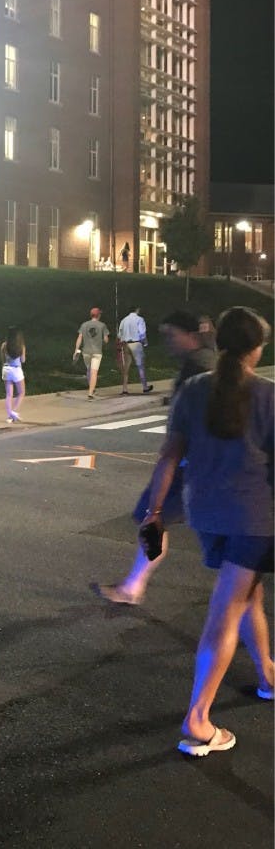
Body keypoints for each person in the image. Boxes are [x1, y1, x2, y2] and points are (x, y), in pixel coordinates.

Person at [139, 307, 273, 756]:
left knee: (247, 594)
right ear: (256, 349)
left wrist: (154, 513)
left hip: (207, 515)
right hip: (254, 519)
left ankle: (268, 674)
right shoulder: (268, 396)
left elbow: (169, 455)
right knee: (227, 609)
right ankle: (198, 719)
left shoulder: (194, 390)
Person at [97, 310, 217, 605]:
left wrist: (174, 458)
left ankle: (132, 588)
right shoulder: (204, 362)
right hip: (201, 463)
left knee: (153, 517)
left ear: (191, 335)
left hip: (190, 465)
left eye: (171, 335)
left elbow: (192, 424)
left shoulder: (198, 369)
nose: (167, 342)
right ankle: (133, 586)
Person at [73, 307, 109, 400]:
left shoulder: (84, 325)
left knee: (89, 370)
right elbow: (106, 340)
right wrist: (103, 341)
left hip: (86, 352)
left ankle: (91, 387)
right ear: (99, 315)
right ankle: (90, 393)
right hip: (97, 352)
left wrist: (76, 349)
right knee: (94, 372)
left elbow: (79, 337)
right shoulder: (102, 325)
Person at [117, 306, 153, 395]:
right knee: (140, 366)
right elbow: (142, 333)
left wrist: (122, 342)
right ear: (136, 310)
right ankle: (145, 387)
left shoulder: (124, 320)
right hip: (136, 343)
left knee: (126, 368)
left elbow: (119, 335)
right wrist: (145, 343)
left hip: (126, 344)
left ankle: (125, 389)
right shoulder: (139, 319)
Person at [0, 327, 26, 423]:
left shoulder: (4, 345)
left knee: (9, 394)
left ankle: (10, 416)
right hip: (16, 369)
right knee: (21, 392)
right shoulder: (21, 346)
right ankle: (13, 412)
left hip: (6, 369)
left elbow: (2, 359)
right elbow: (23, 360)